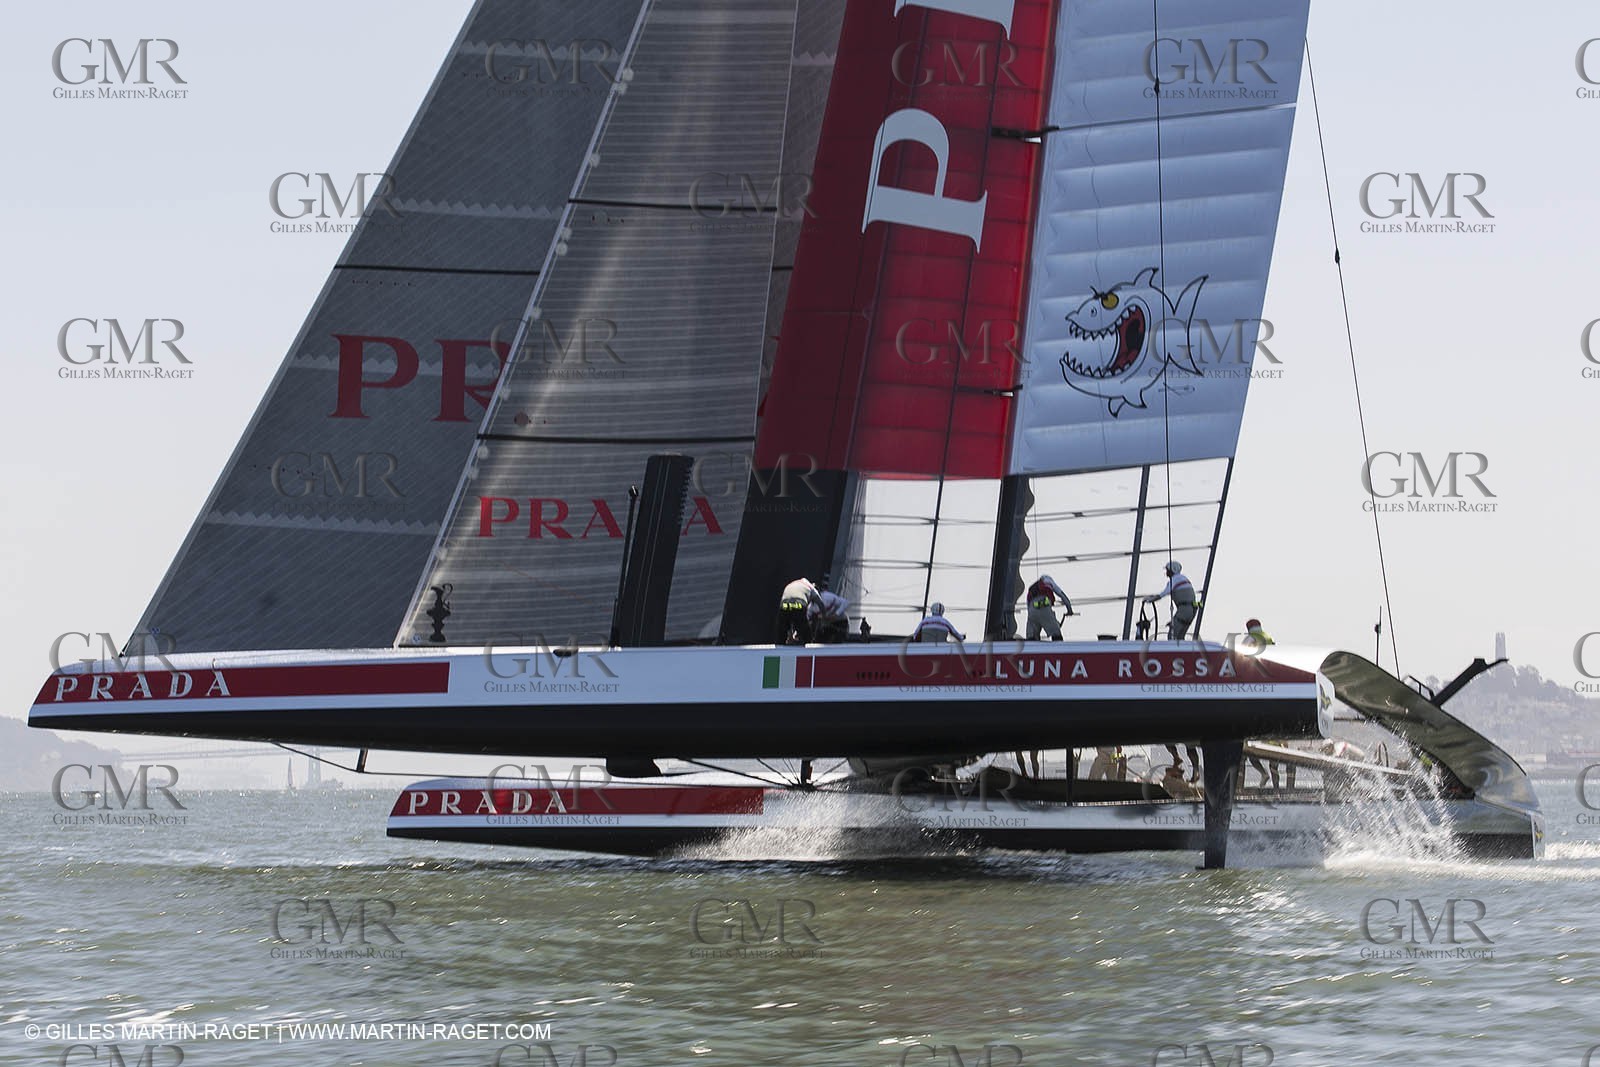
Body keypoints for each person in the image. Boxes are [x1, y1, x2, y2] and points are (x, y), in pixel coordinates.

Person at [1144, 560, 1197, 640]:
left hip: (1184, 610)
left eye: (1168, 570)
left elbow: (1164, 593)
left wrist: (1150, 600)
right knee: (1180, 637)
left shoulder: (1175, 579)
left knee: (1172, 636)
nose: (1166, 572)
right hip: (1191, 610)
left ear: (1173, 569)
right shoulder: (1184, 579)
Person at [1024, 574, 1072, 641]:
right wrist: (1070, 610)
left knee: (1031, 639)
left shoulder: (1032, 588)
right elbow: (1063, 596)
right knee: (1057, 636)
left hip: (1032, 611)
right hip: (1043, 606)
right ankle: (1058, 649)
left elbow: (1028, 607)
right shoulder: (1048, 581)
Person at [776, 577, 820, 645]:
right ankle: (808, 645)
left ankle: (780, 645)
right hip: (798, 604)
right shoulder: (811, 588)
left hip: (784, 605)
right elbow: (820, 603)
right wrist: (824, 615)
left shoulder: (794, 583)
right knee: (804, 628)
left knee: (782, 628)